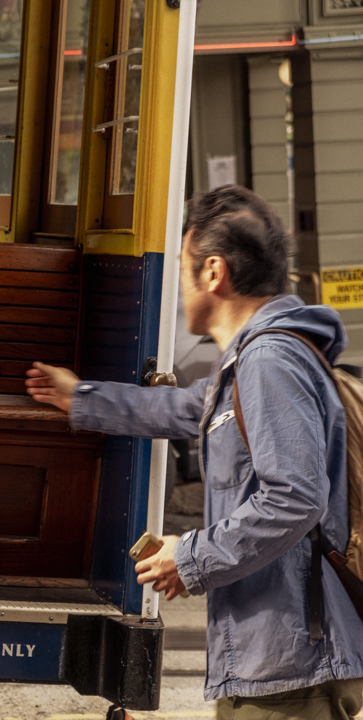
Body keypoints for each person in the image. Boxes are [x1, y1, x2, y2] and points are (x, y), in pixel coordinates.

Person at [25, 185, 363, 720]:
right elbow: (189, 410)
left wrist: (190, 557)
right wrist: (80, 398)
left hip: (294, 667)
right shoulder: (253, 362)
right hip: (273, 661)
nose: (179, 286)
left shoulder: (270, 361)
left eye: (183, 269)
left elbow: (296, 498)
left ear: (213, 272)